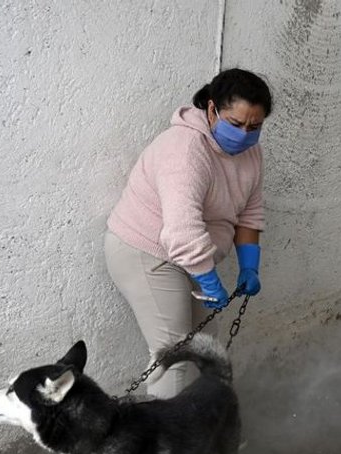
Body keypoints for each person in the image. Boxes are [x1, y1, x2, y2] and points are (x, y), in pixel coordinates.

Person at [104, 68, 271, 399]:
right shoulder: (185, 150)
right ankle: (167, 446)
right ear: (212, 109)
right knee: (175, 356)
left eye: (254, 127)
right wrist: (209, 282)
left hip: (194, 256)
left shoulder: (251, 152)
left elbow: (249, 212)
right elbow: (181, 232)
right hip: (147, 252)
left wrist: (249, 265)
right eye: (236, 124)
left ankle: (203, 431)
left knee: (206, 349)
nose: (245, 134)